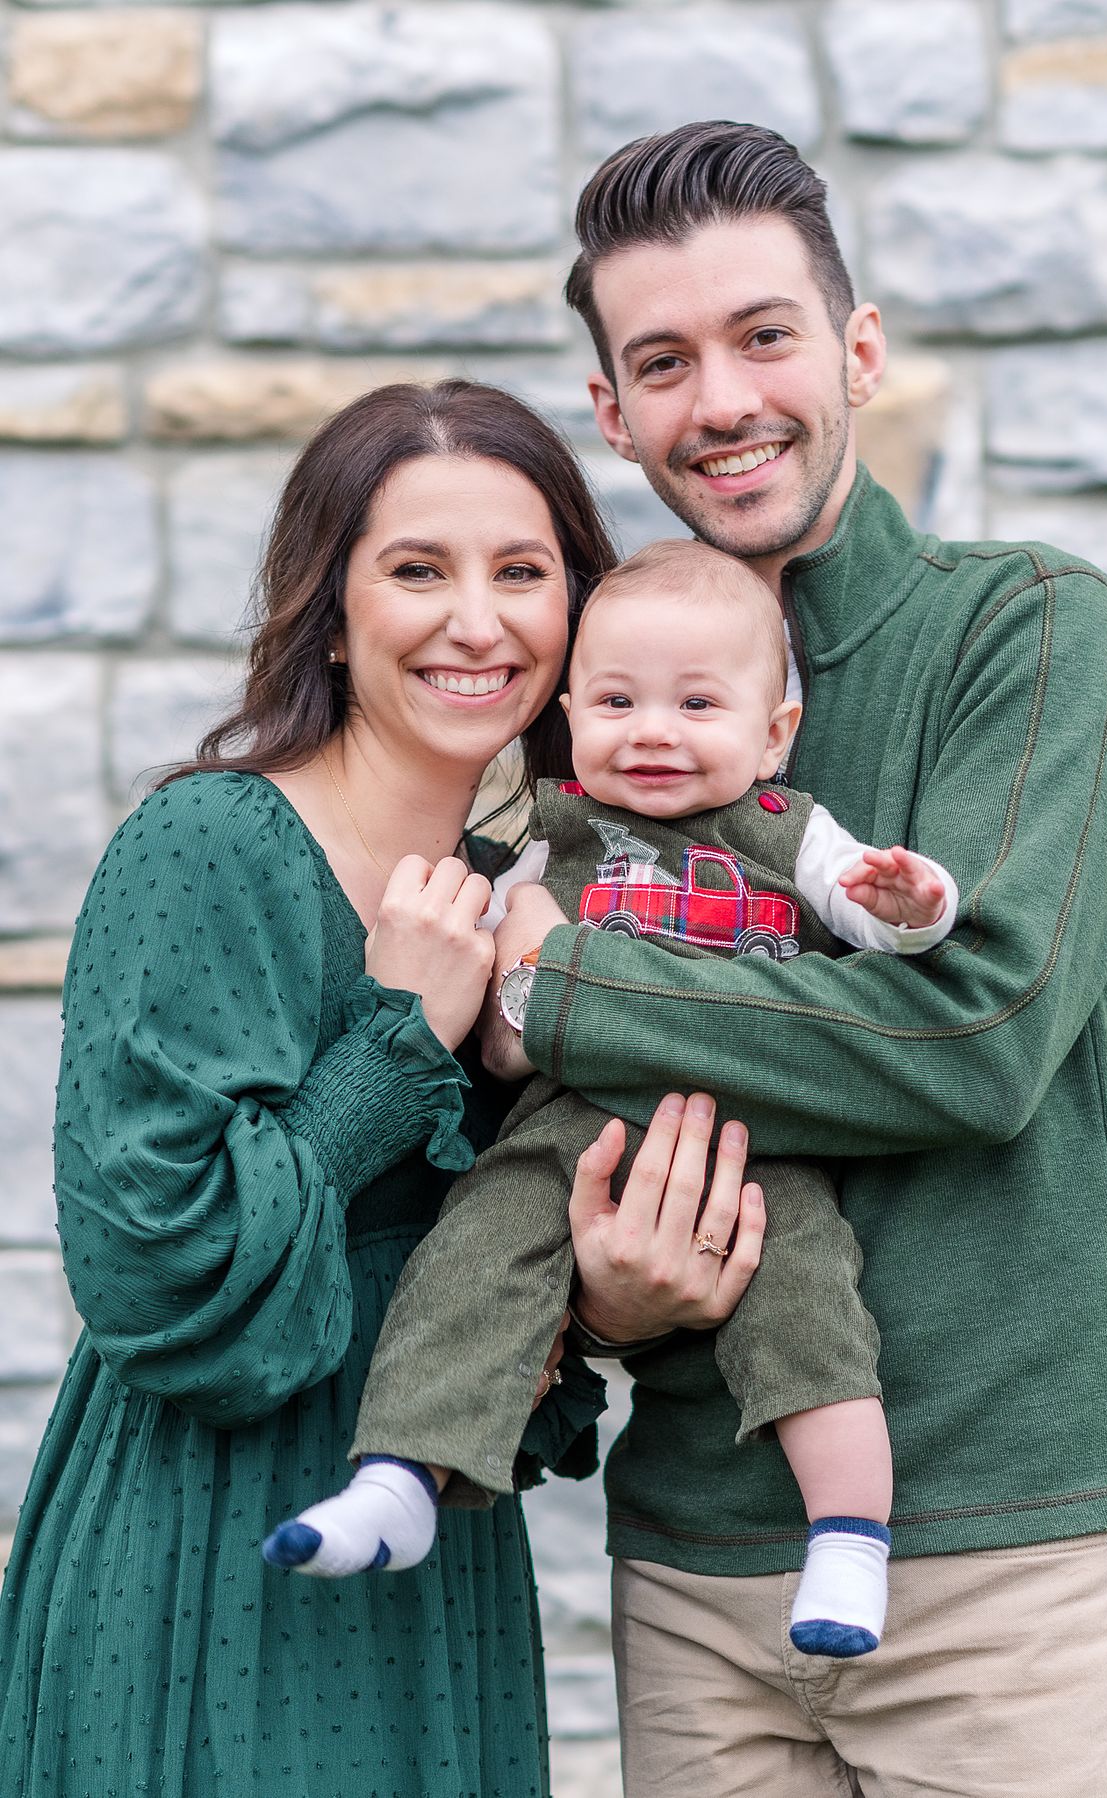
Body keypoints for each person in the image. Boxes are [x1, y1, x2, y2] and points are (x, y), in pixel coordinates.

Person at [482, 123, 1107, 1795]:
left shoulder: (1028, 626)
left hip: (1001, 1565)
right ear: (614, 411)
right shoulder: (584, 704)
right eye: (664, 361)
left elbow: (977, 1030)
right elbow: (513, 1134)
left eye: (764, 335)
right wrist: (592, 1290)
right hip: (695, 1564)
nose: (720, 397)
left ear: (857, 350)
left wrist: (562, 986)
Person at [0, 378, 632, 1797]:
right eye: (418, 569)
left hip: (435, 1551)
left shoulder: (523, 902)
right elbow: (150, 1267)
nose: (479, 621)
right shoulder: (208, 844)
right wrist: (401, 1031)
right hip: (208, 1545)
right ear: (329, 610)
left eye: (523, 573)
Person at [262, 537, 956, 1666]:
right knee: (479, 1247)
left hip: (757, 1135)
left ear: (773, 731)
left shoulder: (791, 830)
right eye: (620, 700)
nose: (653, 731)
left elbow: (885, 921)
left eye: (697, 703)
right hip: (570, 1129)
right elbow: (492, 979)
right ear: (574, 710)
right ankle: (399, 1476)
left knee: (811, 1305)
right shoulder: (548, 833)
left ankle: (849, 1534)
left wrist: (911, 903)